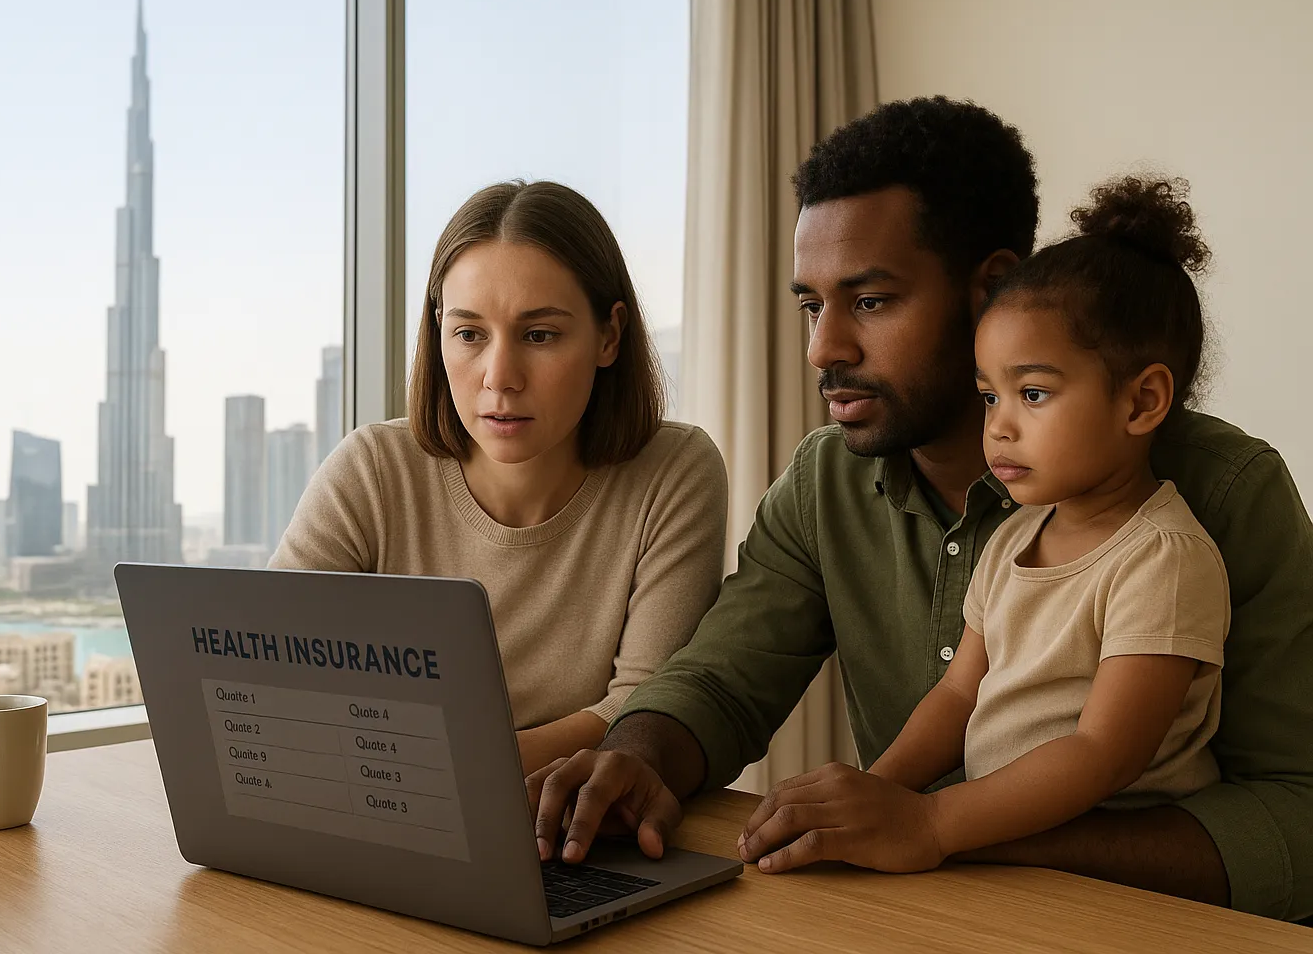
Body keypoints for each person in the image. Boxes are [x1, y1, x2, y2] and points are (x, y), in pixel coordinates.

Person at [529, 98, 1313, 923]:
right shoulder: (824, 481)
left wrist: (953, 834)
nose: (822, 349)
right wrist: (632, 759)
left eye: (869, 301)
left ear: (990, 288)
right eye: (810, 305)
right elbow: (722, 680)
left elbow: (1296, 820)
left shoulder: (1219, 497)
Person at [775, 176, 1231, 869]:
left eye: (1034, 392)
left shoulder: (1163, 559)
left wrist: (929, 823)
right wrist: (879, 792)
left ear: (1143, 402)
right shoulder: (1016, 535)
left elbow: (1102, 753)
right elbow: (959, 692)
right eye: (990, 396)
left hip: (1117, 884)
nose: (1001, 426)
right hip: (1003, 856)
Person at [270, 179, 728, 777]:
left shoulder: (674, 474)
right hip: (382, 811)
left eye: (539, 335)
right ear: (439, 335)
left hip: (570, 824)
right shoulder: (373, 470)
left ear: (608, 336)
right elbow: (269, 677)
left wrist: (443, 770)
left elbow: (642, 710)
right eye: (469, 334)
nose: (500, 377)